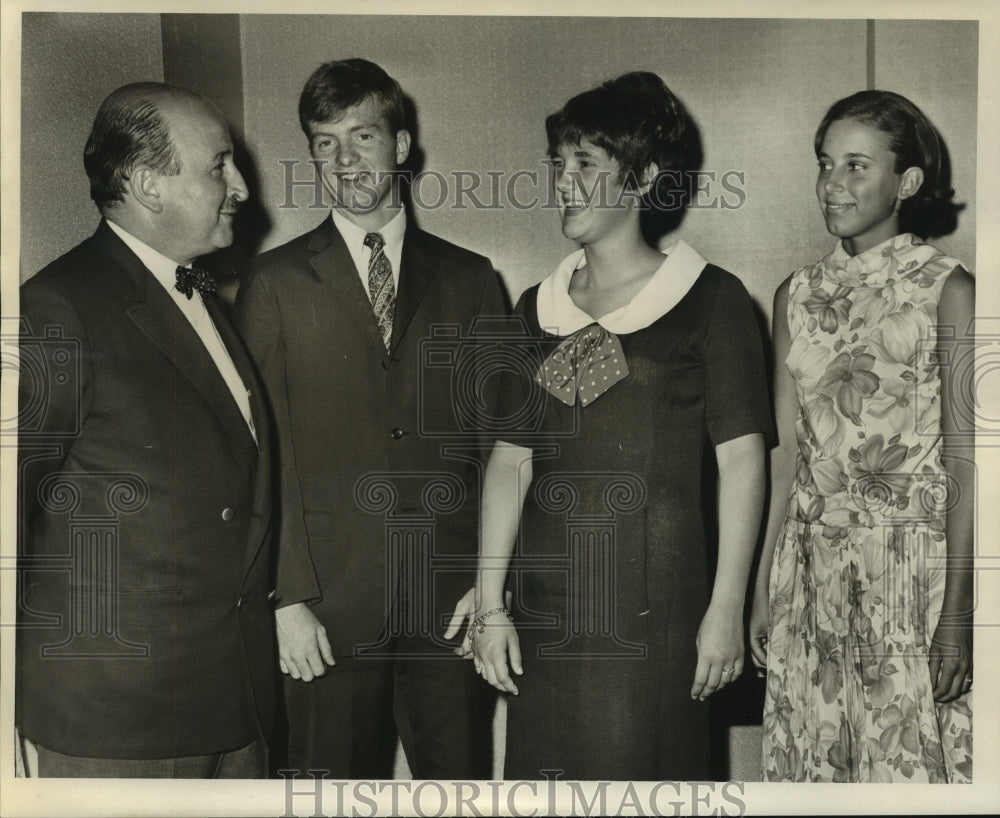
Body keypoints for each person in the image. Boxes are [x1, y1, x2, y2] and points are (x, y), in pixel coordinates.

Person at [468, 71, 771, 780]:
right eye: (558, 164)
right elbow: (512, 460)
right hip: (548, 612)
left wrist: (726, 608)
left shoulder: (708, 300)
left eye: (585, 165)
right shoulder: (540, 307)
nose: (562, 182)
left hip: (655, 611)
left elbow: (744, 463)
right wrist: (490, 607)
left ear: (640, 180)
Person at [234, 58, 505, 779]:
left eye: (363, 137)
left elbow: (501, 446)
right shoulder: (274, 283)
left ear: (402, 146)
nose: (345, 160)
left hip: (449, 609)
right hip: (324, 614)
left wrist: (490, 579)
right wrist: (284, 598)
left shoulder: (472, 279)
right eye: (325, 142)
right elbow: (257, 454)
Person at [17, 82, 274, 777]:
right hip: (119, 718)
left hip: (231, 699)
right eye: (218, 165)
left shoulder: (205, 295)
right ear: (145, 185)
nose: (242, 188)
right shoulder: (57, 306)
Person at [749, 90, 974, 783]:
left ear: (905, 183)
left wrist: (960, 612)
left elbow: (973, 462)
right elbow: (785, 455)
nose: (832, 184)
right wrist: (761, 587)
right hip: (810, 577)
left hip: (911, 580)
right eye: (825, 164)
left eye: (856, 166)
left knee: (906, 770)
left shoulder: (951, 289)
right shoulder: (797, 293)